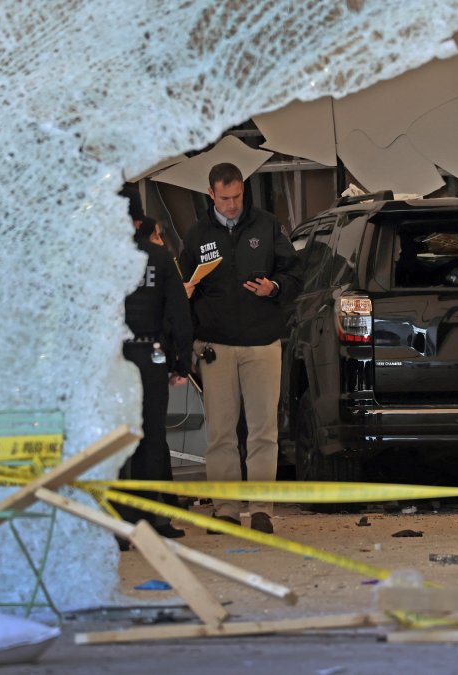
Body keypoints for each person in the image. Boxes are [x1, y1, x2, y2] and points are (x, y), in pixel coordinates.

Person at [179, 163, 302, 534]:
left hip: (262, 341)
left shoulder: (267, 226)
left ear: (243, 192)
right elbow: (184, 286)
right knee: (221, 432)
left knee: (264, 429)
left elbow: (295, 273)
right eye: (225, 198)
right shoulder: (197, 233)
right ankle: (226, 509)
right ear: (211, 194)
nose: (232, 205)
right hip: (215, 344)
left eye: (237, 197)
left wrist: (275, 288)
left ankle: (262, 507)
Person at [118, 213, 194, 540]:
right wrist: (181, 363)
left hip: (113, 358)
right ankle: (153, 519)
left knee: (117, 440)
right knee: (151, 437)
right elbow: (178, 312)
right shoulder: (160, 258)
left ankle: (119, 523)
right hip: (150, 355)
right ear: (139, 222)